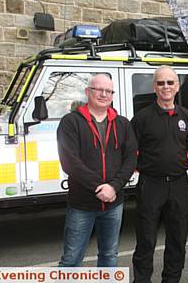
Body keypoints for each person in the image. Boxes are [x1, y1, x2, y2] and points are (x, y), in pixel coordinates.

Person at [57, 73, 137, 267]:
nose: (103, 94)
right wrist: (100, 187)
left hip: (114, 204)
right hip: (81, 204)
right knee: (71, 259)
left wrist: (114, 187)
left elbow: (131, 158)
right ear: (87, 92)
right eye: (98, 89)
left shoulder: (122, 123)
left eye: (108, 91)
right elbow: (69, 161)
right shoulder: (71, 122)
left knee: (109, 255)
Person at [131, 66, 188, 282]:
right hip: (151, 185)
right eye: (161, 83)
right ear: (154, 87)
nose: (165, 87)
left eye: (170, 83)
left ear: (177, 87)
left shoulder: (186, 116)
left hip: (179, 185)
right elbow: (130, 152)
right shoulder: (142, 118)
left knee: (177, 240)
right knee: (146, 240)